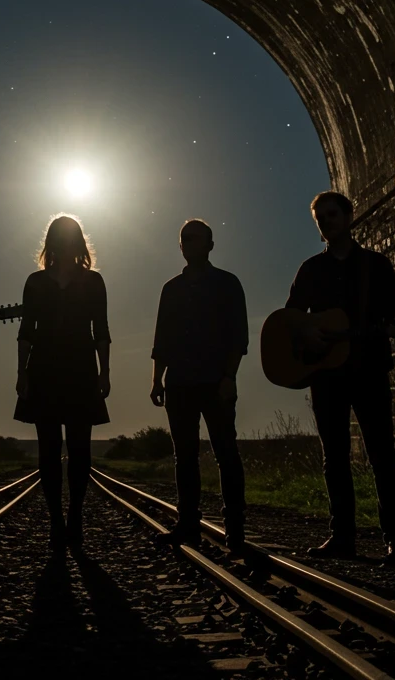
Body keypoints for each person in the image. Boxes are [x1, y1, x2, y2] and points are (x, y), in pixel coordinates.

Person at [286, 190, 395, 566]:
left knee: (382, 454)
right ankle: (342, 538)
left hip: (369, 370)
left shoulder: (377, 266)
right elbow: (290, 316)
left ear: (348, 216)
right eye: (320, 218)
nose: (326, 222)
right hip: (326, 374)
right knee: (334, 458)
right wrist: (307, 332)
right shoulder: (310, 269)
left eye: (332, 215)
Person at [150, 219, 248, 552]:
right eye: (185, 239)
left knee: (226, 453)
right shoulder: (171, 289)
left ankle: (235, 529)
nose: (190, 244)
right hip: (179, 383)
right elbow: (161, 339)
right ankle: (188, 524)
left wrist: (229, 377)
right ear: (181, 246)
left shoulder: (227, 284)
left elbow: (238, 337)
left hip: (216, 382)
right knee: (185, 457)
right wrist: (156, 379)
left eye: (196, 239)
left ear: (210, 245)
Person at [15, 214, 111, 549]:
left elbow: (101, 331)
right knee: (49, 450)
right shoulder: (36, 283)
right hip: (43, 369)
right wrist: (21, 372)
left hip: (81, 369)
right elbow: (26, 332)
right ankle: (56, 519)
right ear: (52, 243)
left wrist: (105, 371)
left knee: (81, 450)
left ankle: (75, 515)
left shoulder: (94, 282)